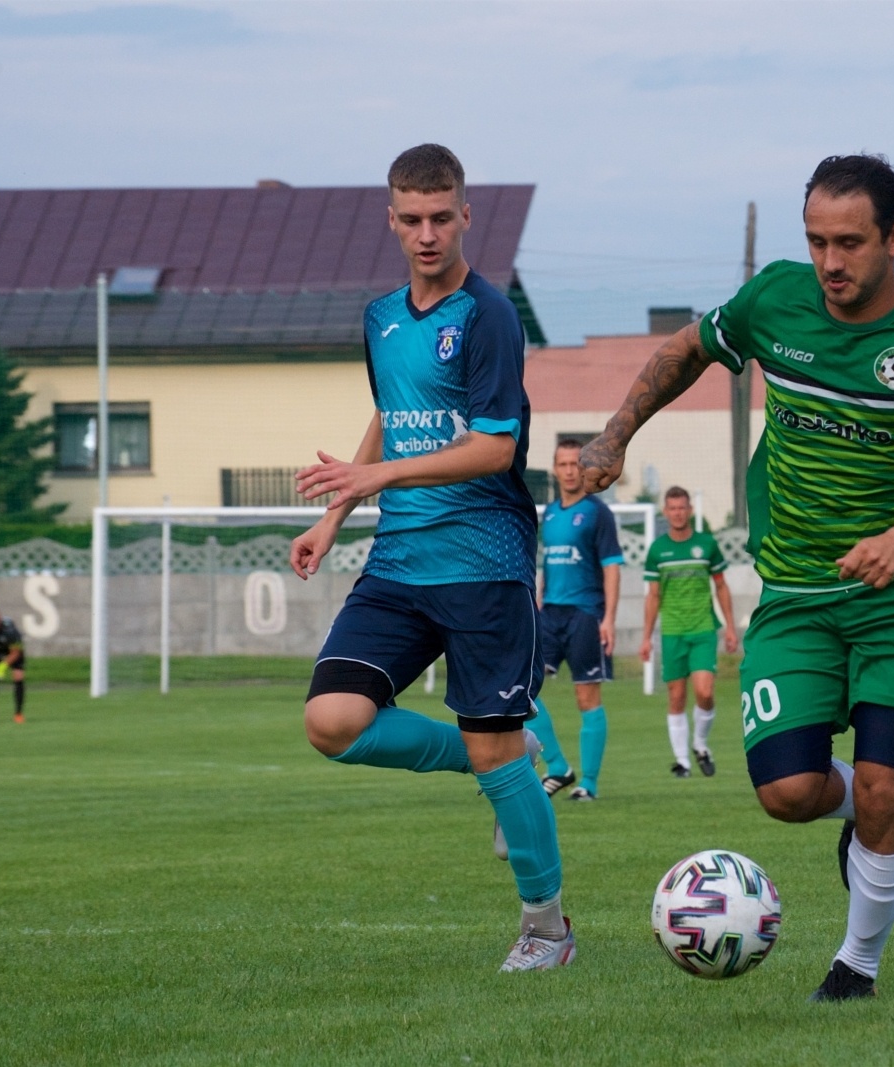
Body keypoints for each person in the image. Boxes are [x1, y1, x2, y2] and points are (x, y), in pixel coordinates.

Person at [579, 153, 894, 1001]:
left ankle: (857, 966)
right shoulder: (775, 299)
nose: (830, 262)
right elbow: (687, 348)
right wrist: (616, 432)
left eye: (849, 242)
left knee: (887, 785)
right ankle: (865, 821)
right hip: (798, 597)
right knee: (788, 791)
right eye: (816, 241)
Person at [289, 144, 572, 972]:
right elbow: (391, 415)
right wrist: (337, 514)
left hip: (484, 563)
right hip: (398, 561)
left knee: (491, 742)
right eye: (410, 219)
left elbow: (493, 448)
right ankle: (506, 761)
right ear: (391, 219)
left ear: (464, 217)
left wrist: (374, 475)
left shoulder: (489, 316)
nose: (426, 233)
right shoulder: (379, 317)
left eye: (440, 217)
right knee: (331, 721)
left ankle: (547, 928)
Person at [530, 439, 624, 801]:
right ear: (555, 469)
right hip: (549, 612)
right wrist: (539, 597)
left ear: (583, 469)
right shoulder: (550, 513)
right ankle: (557, 767)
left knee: (587, 697)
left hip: (586, 614)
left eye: (575, 464)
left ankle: (590, 784)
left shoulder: (598, 513)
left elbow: (612, 567)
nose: (569, 470)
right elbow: (548, 562)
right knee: (524, 692)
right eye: (563, 464)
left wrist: (609, 619)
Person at [639, 485, 739, 778]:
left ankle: (700, 743)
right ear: (665, 512)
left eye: (682, 507)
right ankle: (682, 761)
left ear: (689, 510)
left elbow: (721, 585)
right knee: (676, 696)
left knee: (705, 693)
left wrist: (731, 627)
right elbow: (653, 596)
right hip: (672, 632)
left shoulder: (706, 545)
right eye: (672, 508)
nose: (678, 512)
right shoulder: (658, 550)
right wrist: (646, 638)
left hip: (703, 629)